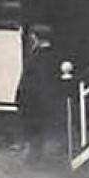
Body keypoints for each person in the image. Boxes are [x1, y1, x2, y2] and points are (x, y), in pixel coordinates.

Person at [16, 24, 62, 165]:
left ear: (36, 38)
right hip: (44, 98)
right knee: (38, 128)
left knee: (33, 128)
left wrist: (20, 95)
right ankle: (35, 155)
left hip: (34, 98)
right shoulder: (53, 55)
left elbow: (30, 79)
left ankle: (33, 157)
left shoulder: (37, 57)